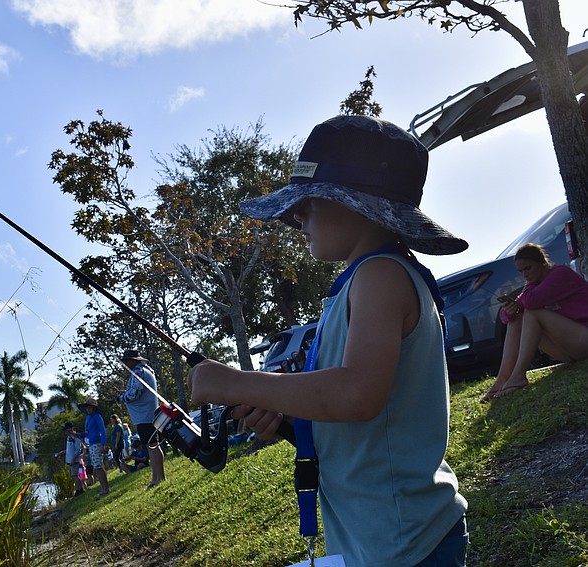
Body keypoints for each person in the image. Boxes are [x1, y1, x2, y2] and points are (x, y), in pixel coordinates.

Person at [187, 115, 469, 566]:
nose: (297, 215)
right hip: (374, 534)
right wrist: (289, 420)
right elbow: (362, 422)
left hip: (404, 540)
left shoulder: (381, 275)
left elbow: (357, 395)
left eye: (310, 202)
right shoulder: (360, 282)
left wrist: (237, 383)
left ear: (360, 205)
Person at [480, 243, 588, 402]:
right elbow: (507, 316)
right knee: (518, 316)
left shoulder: (560, 274)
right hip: (569, 350)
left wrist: (525, 293)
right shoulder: (534, 284)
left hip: (583, 337)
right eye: (521, 271)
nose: (525, 274)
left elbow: (530, 302)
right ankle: (503, 378)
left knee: (531, 313)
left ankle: (518, 376)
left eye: (528, 268)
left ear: (542, 262)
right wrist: (510, 310)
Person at [118, 349, 166, 489]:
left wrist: (121, 398)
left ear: (133, 360)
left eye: (126, 361)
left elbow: (135, 394)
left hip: (145, 416)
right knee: (152, 446)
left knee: (152, 446)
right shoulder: (145, 370)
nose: (125, 364)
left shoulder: (138, 372)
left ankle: (158, 478)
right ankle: (157, 477)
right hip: (146, 415)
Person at [80, 397, 111, 496]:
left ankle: (106, 489)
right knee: (96, 467)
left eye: (90, 407)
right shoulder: (88, 418)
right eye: (87, 407)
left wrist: (102, 444)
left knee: (99, 466)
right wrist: (79, 434)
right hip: (91, 444)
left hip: (97, 443)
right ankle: (103, 488)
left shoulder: (97, 416)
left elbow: (103, 430)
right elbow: (87, 432)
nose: (88, 409)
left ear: (94, 408)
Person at [56, 421, 86, 497]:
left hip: (74, 461)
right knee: (73, 476)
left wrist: (73, 460)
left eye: (67, 430)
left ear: (71, 429)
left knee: (76, 476)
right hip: (69, 460)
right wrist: (64, 452)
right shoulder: (68, 438)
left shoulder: (76, 437)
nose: (66, 432)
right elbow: (70, 449)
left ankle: (80, 490)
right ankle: (78, 489)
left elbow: (78, 450)